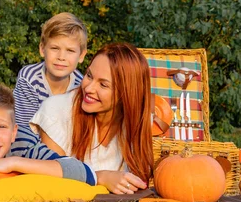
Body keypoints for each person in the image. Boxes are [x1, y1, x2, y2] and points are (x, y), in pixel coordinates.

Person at [30, 43, 153, 194]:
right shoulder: (56, 112)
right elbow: (52, 177)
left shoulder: (137, 121)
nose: (88, 88)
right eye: (89, 75)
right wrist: (100, 178)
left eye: (103, 85)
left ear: (126, 93)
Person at [13, 12, 88, 128]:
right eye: (54, 48)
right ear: (42, 49)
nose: (61, 57)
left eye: (70, 51)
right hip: (30, 142)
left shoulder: (81, 86)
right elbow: (24, 131)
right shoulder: (29, 78)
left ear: (81, 55)